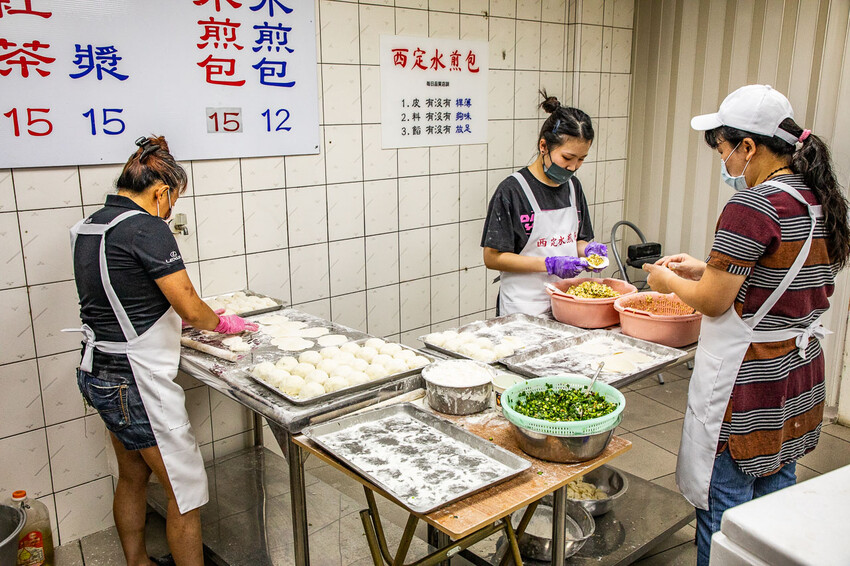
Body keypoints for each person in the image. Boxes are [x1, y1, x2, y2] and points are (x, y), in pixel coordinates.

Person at [642, 85, 850, 566]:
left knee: (726, 516)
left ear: (749, 146)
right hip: (797, 376)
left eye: (723, 150)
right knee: (773, 507)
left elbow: (714, 302)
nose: (725, 162)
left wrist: (666, 279)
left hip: (750, 381)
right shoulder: (817, 196)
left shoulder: (752, 206)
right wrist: (704, 267)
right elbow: (778, 273)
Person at [67, 136, 258, 566]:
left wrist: (181, 316)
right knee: (185, 493)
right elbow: (189, 305)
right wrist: (220, 323)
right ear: (160, 191)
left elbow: (123, 295)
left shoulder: (89, 226)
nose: (171, 212)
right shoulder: (146, 228)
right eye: (173, 201)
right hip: (136, 382)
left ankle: (137, 562)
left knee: (133, 475)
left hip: (100, 371)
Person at [481, 92, 608, 315]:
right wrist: (549, 264)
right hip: (523, 308)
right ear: (544, 146)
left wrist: (587, 250)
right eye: (567, 158)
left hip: (565, 304)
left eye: (581, 159)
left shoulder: (573, 187)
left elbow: (575, 241)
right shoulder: (512, 190)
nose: (573, 167)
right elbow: (492, 257)